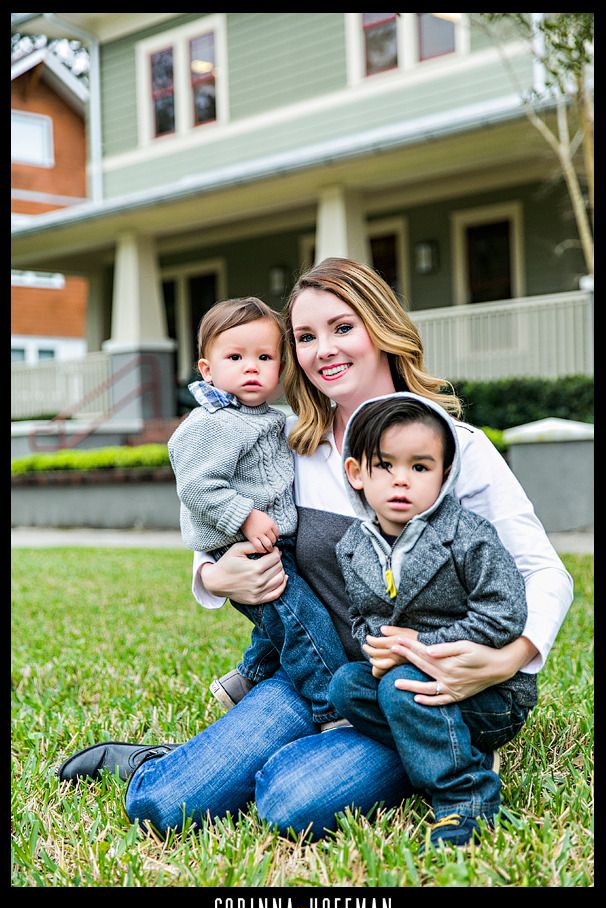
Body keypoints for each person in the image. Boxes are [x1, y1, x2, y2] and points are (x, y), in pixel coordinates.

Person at [58, 258, 573, 849]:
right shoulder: (288, 447)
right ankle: (184, 761)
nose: (323, 348)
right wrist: (213, 574)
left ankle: (438, 750)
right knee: (161, 804)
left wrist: (511, 657)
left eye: (342, 327)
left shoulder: (457, 449)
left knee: (292, 803)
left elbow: (543, 572)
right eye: (305, 337)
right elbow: (222, 514)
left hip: (419, 690)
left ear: (381, 329)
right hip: (316, 678)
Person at [329, 392, 531, 849]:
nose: (402, 480)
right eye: (386, 466)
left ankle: (465, 799)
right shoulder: (353, 547)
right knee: (346, 685)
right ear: (357, 473)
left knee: (399, 687)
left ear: (444, 476)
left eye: (420, 468)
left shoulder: (467, 536)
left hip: (486, 692)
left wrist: (421, 646)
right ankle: (463, 755)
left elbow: (506, 612)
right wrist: (374, 647)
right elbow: (361, 617)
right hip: (411, 686)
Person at [167, 296, 348, 727]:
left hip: (272, 543)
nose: (252, 367)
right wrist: (244, 517)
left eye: (264, 357)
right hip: (249, 547)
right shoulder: (211, 423)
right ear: (207, 369)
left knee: (280, 627)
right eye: (235, 356)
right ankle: (333, 709)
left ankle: (246, 679)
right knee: (303, 624)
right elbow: (196, 485)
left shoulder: (268, 418)